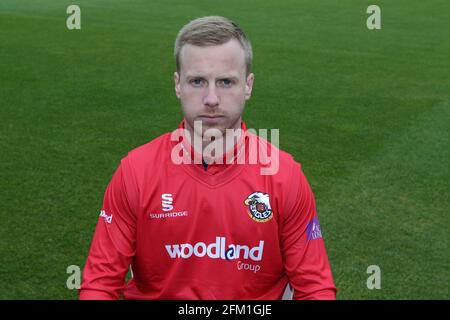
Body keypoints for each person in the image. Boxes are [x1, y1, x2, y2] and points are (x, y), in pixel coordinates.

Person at [80, 16, 336, 300]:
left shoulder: (284, 176)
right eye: (198, 81)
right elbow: (100, 284)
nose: (212, 98)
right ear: (178, 85)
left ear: (248, 86)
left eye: (226, 82)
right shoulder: (136, 171)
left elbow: (315, 288)